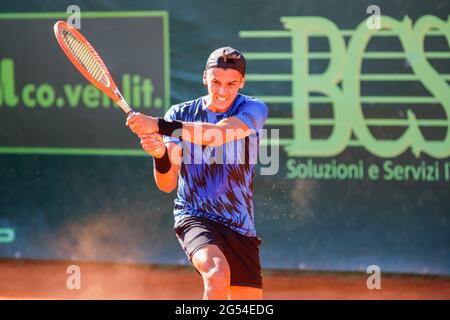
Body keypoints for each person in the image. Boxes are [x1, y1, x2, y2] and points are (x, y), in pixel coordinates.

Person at [126, 46, 268, 300]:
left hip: (240, 226)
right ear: (205, 78)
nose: (222, 91)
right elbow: (167, 184)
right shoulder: (180, 114)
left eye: (231, 83)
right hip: (195, 216)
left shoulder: (254, 109)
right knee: (216, 274)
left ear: (242, 82)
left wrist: (158, 125)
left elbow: (219, 135)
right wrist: (160, 155)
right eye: (215, 82)